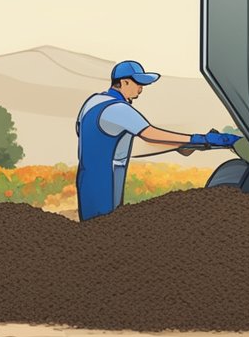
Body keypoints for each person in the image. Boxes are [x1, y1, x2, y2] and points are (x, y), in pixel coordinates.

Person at [75, 60, 239, 221]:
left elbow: (120, 143)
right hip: (107, 178)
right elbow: (150, 134)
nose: (141, 89)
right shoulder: (118, 109)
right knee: (105, 224)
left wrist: (182, 145)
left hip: (87, 176)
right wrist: (199, 139)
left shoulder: (93, 102)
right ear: (124, 82)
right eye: (138, 83)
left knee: (93, 228)